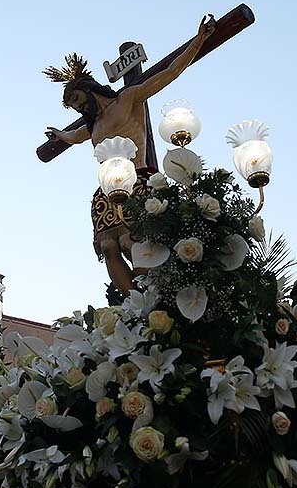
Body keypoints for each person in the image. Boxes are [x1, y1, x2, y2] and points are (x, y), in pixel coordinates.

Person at [43, 15, 217, 292]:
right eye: (72, 106)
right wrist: (60, 135)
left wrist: (199, 41)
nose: (77, 108)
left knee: (128, 240)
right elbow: (74, 137)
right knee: (109, 246)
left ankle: (153, 290)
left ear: (88, 89)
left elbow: (170, 73)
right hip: (107, 191)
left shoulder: (128, 99)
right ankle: (132, 303)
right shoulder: (94, 125)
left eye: (76, 100)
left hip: (139, 179)